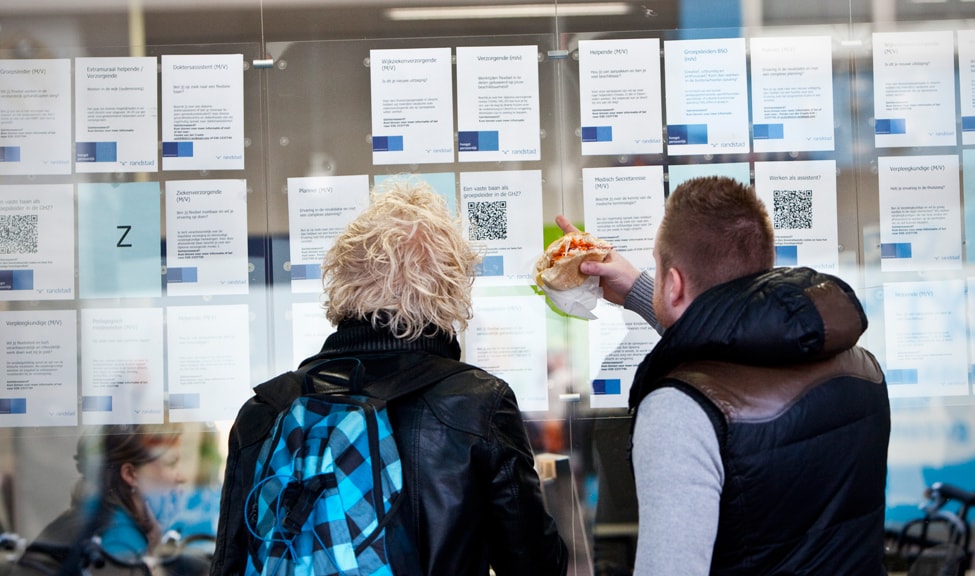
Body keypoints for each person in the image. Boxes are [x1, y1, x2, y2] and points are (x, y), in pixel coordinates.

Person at [211, 179, 568, 576]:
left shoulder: (264, 412)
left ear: (343, 279)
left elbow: (229, 564)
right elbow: (535, 563)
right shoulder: (476, 404)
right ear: (449, 289)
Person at [556, 175, 891, 574]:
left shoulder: (679, 411)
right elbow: (733, 339)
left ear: (675, 284)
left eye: (660, 269)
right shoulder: (860, 367)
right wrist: (642, 291)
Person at [13, 424, 188, 576]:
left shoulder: (95, 521)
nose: (182, 476)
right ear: (130, 474)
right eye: (171, 463)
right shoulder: (118, 541)